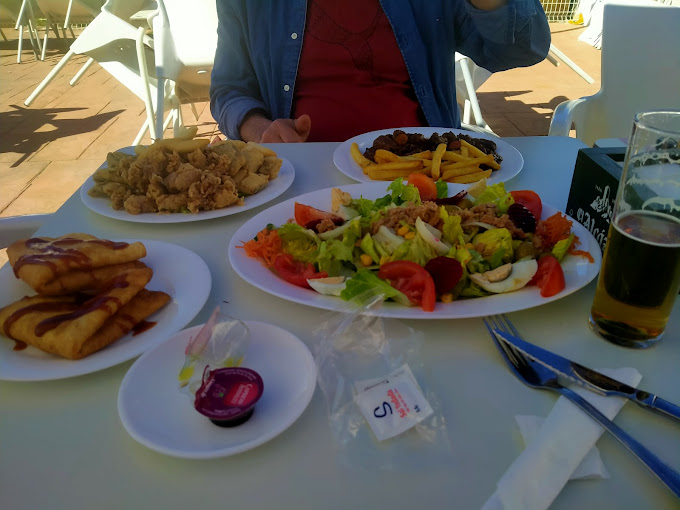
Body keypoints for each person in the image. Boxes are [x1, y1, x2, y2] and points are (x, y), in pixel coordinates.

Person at [210, 0, 550, 143]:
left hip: (424, 172)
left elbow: (523, 48)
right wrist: (261, 130)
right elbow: (228, 89)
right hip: (300, 177)